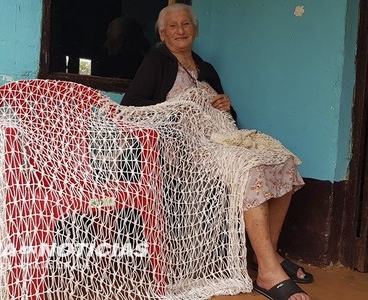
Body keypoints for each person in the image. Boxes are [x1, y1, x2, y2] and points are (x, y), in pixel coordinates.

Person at [121, 4, 311, 300]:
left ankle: (267, 257)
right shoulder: (156, 62)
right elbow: (131, 106)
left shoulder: (205, 67)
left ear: (195, 30)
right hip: (186, 149)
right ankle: (268, 273)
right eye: (173, 26)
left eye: (186, 24)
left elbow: (227, 118)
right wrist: (179, 110)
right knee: (248, 169)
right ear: (162, 33)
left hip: (220, 140)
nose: (180, 30)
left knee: (282, 160)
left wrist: (226, 105)